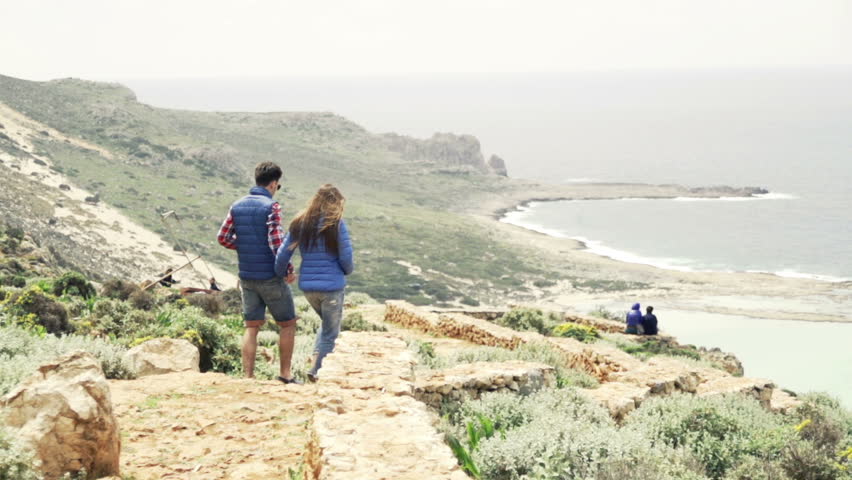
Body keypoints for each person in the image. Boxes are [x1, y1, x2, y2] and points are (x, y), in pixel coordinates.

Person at [217, 162, 299, 383]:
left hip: (246, 276)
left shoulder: (237, 205)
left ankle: (248, 377)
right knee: (288, 323)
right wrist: (288, 270)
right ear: (273, 184)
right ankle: (285, 374)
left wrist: (245, 246)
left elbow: (223, 237)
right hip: (270, 276)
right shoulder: (271, 207)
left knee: (251, 327)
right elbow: (276, 244)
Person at [275, 184, 353, 383]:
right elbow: (346, 257)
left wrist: (281, 272)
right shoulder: (336, 224)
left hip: (309, 288)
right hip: (332, 288)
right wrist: (346, 272)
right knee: (331, 331)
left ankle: (316, 359)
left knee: (326, 325)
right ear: (335, 203)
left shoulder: (301, 223)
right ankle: (317, 370)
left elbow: (283, 253)